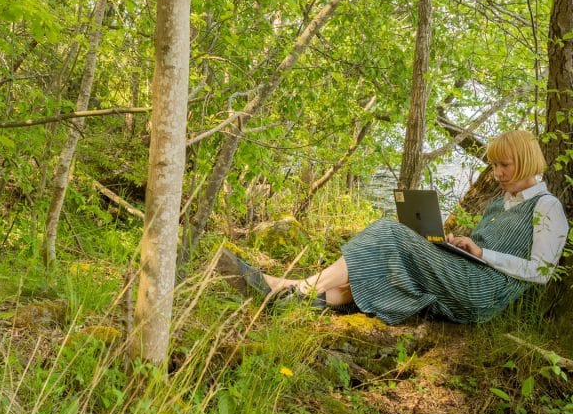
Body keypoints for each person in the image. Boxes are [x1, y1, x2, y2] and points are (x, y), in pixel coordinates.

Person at [222, 130, 569, 325]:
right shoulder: (499, 202)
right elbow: (481, 249)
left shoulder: (547, 207)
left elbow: (541, 271)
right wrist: (457, 245)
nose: (497, 173)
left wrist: (482, 252)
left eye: (504, 165)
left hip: (482, 290)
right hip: (468, 272)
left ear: (525, 161)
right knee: (395, 262)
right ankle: (310, 302)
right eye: (493, 165)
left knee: (390, 232)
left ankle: (292, 289)